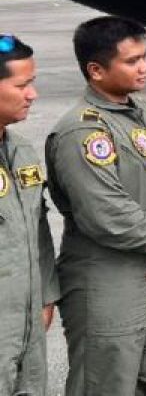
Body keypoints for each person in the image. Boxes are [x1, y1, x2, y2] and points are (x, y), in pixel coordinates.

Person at [45, 17, 146, 396]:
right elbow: (106, 212)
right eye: (132, 61)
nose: (145, 67)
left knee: (144, 380)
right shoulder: (83, 131)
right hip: (108, 282)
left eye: (145, 57)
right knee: (105, 384)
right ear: (96, 70)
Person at [0, 35, 58, 396]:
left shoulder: (21, 150)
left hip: (27, 322)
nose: (32, 94)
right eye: (22, 85)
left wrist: (46, 296)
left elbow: (38, 228)